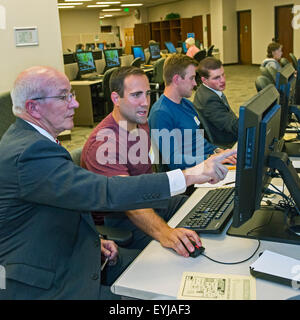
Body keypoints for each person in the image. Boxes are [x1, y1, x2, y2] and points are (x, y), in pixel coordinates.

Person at [0, 66, 235, 300]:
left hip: (79, 248)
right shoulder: (30, 153)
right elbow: (108, 191)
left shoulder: (35, 141)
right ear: (33, 108)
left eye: (71, 95)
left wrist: (95, 241)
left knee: (174, 269)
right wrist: (191, 175)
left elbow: (59, 203)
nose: (75, 104)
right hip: (48, 282)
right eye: (64, 97)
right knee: (166, 289)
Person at [82, 66, 198, 254]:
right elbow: (128, 200)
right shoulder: (104, 144)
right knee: (177, 250)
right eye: (136, 95)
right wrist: (165, 233)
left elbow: (145, 177)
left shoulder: (140, 123)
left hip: (148, 200)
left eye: (148, 94)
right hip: (120, 218)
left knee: (199, 210)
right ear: (115, 99)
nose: (145, 102)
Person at [148, 54, 236, 172]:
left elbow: (198, 141)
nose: (195, 84)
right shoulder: (161, 113)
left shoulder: (186, 104)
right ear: (176, 79)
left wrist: (218, 151)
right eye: (191, 78)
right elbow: (174, 161)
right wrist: (210, 158)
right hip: (189, 175)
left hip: (205, 164)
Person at [193, 57, 239, 147]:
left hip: (225, 131)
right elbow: (233, 126)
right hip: (226, 142)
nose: (222, 80)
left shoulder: (207, 90)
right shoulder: (209, 100)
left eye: (223, 74)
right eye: (216, 78)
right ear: (204, 80)